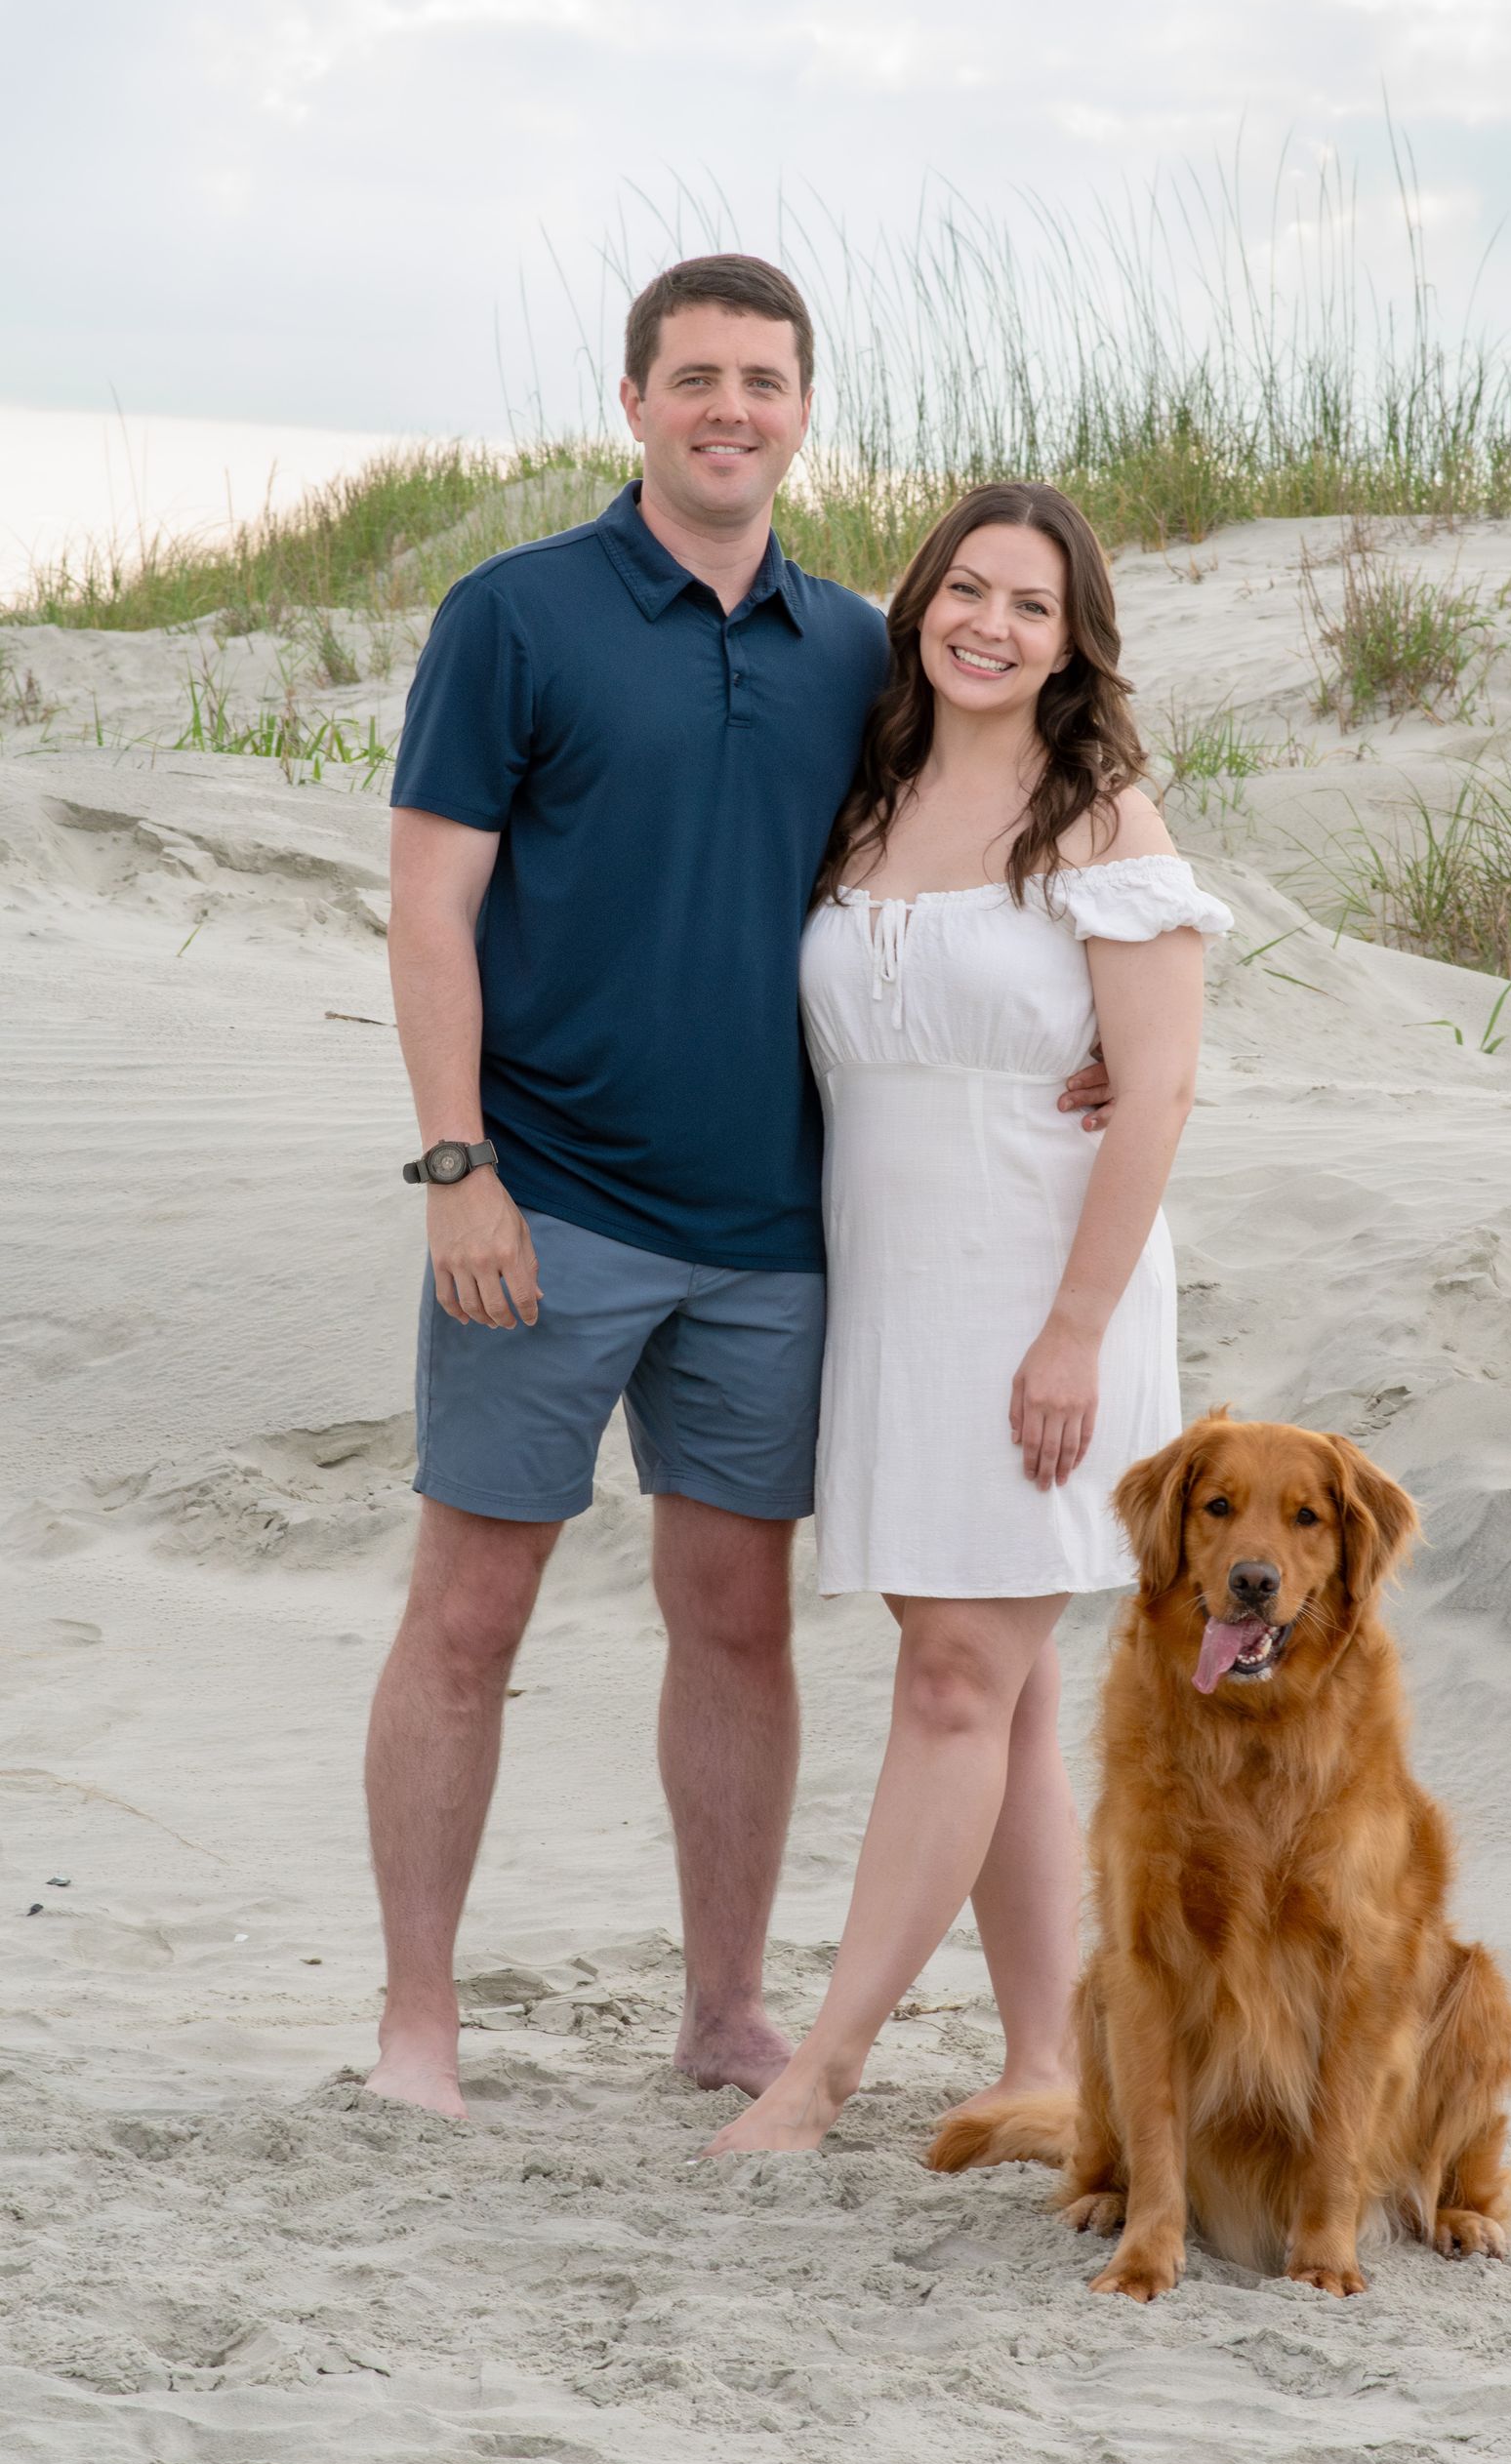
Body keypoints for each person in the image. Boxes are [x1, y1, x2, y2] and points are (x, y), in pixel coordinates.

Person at [363, 259, 1111, 2119]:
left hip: (781, 1235)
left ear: (803, 412)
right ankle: (418, 2025)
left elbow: (996, 833)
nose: (730, 410)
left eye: (763, 382)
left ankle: (722, 2014)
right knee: (470, 1614)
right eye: (695, 378)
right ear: (633, 401)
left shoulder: (860, 648)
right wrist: (458, 1167)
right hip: (544, 1207)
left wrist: (1091, 1032)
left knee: (737, 1620)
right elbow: (431, 906)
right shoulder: (514, 615)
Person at [705, 482, 1230, 2156]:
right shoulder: (863, 797)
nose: (990, 627)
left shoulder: (1102, 821)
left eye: (1031, 605)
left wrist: (1072, 1333)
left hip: (1044, 1295)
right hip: (895, 1292)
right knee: (999, 1687)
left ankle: (824, 2070)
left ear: (1073, 644)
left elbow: (1157, 1093)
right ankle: (1046, 2062)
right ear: (920, 602)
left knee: (953, 1679)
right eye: (968, 591)